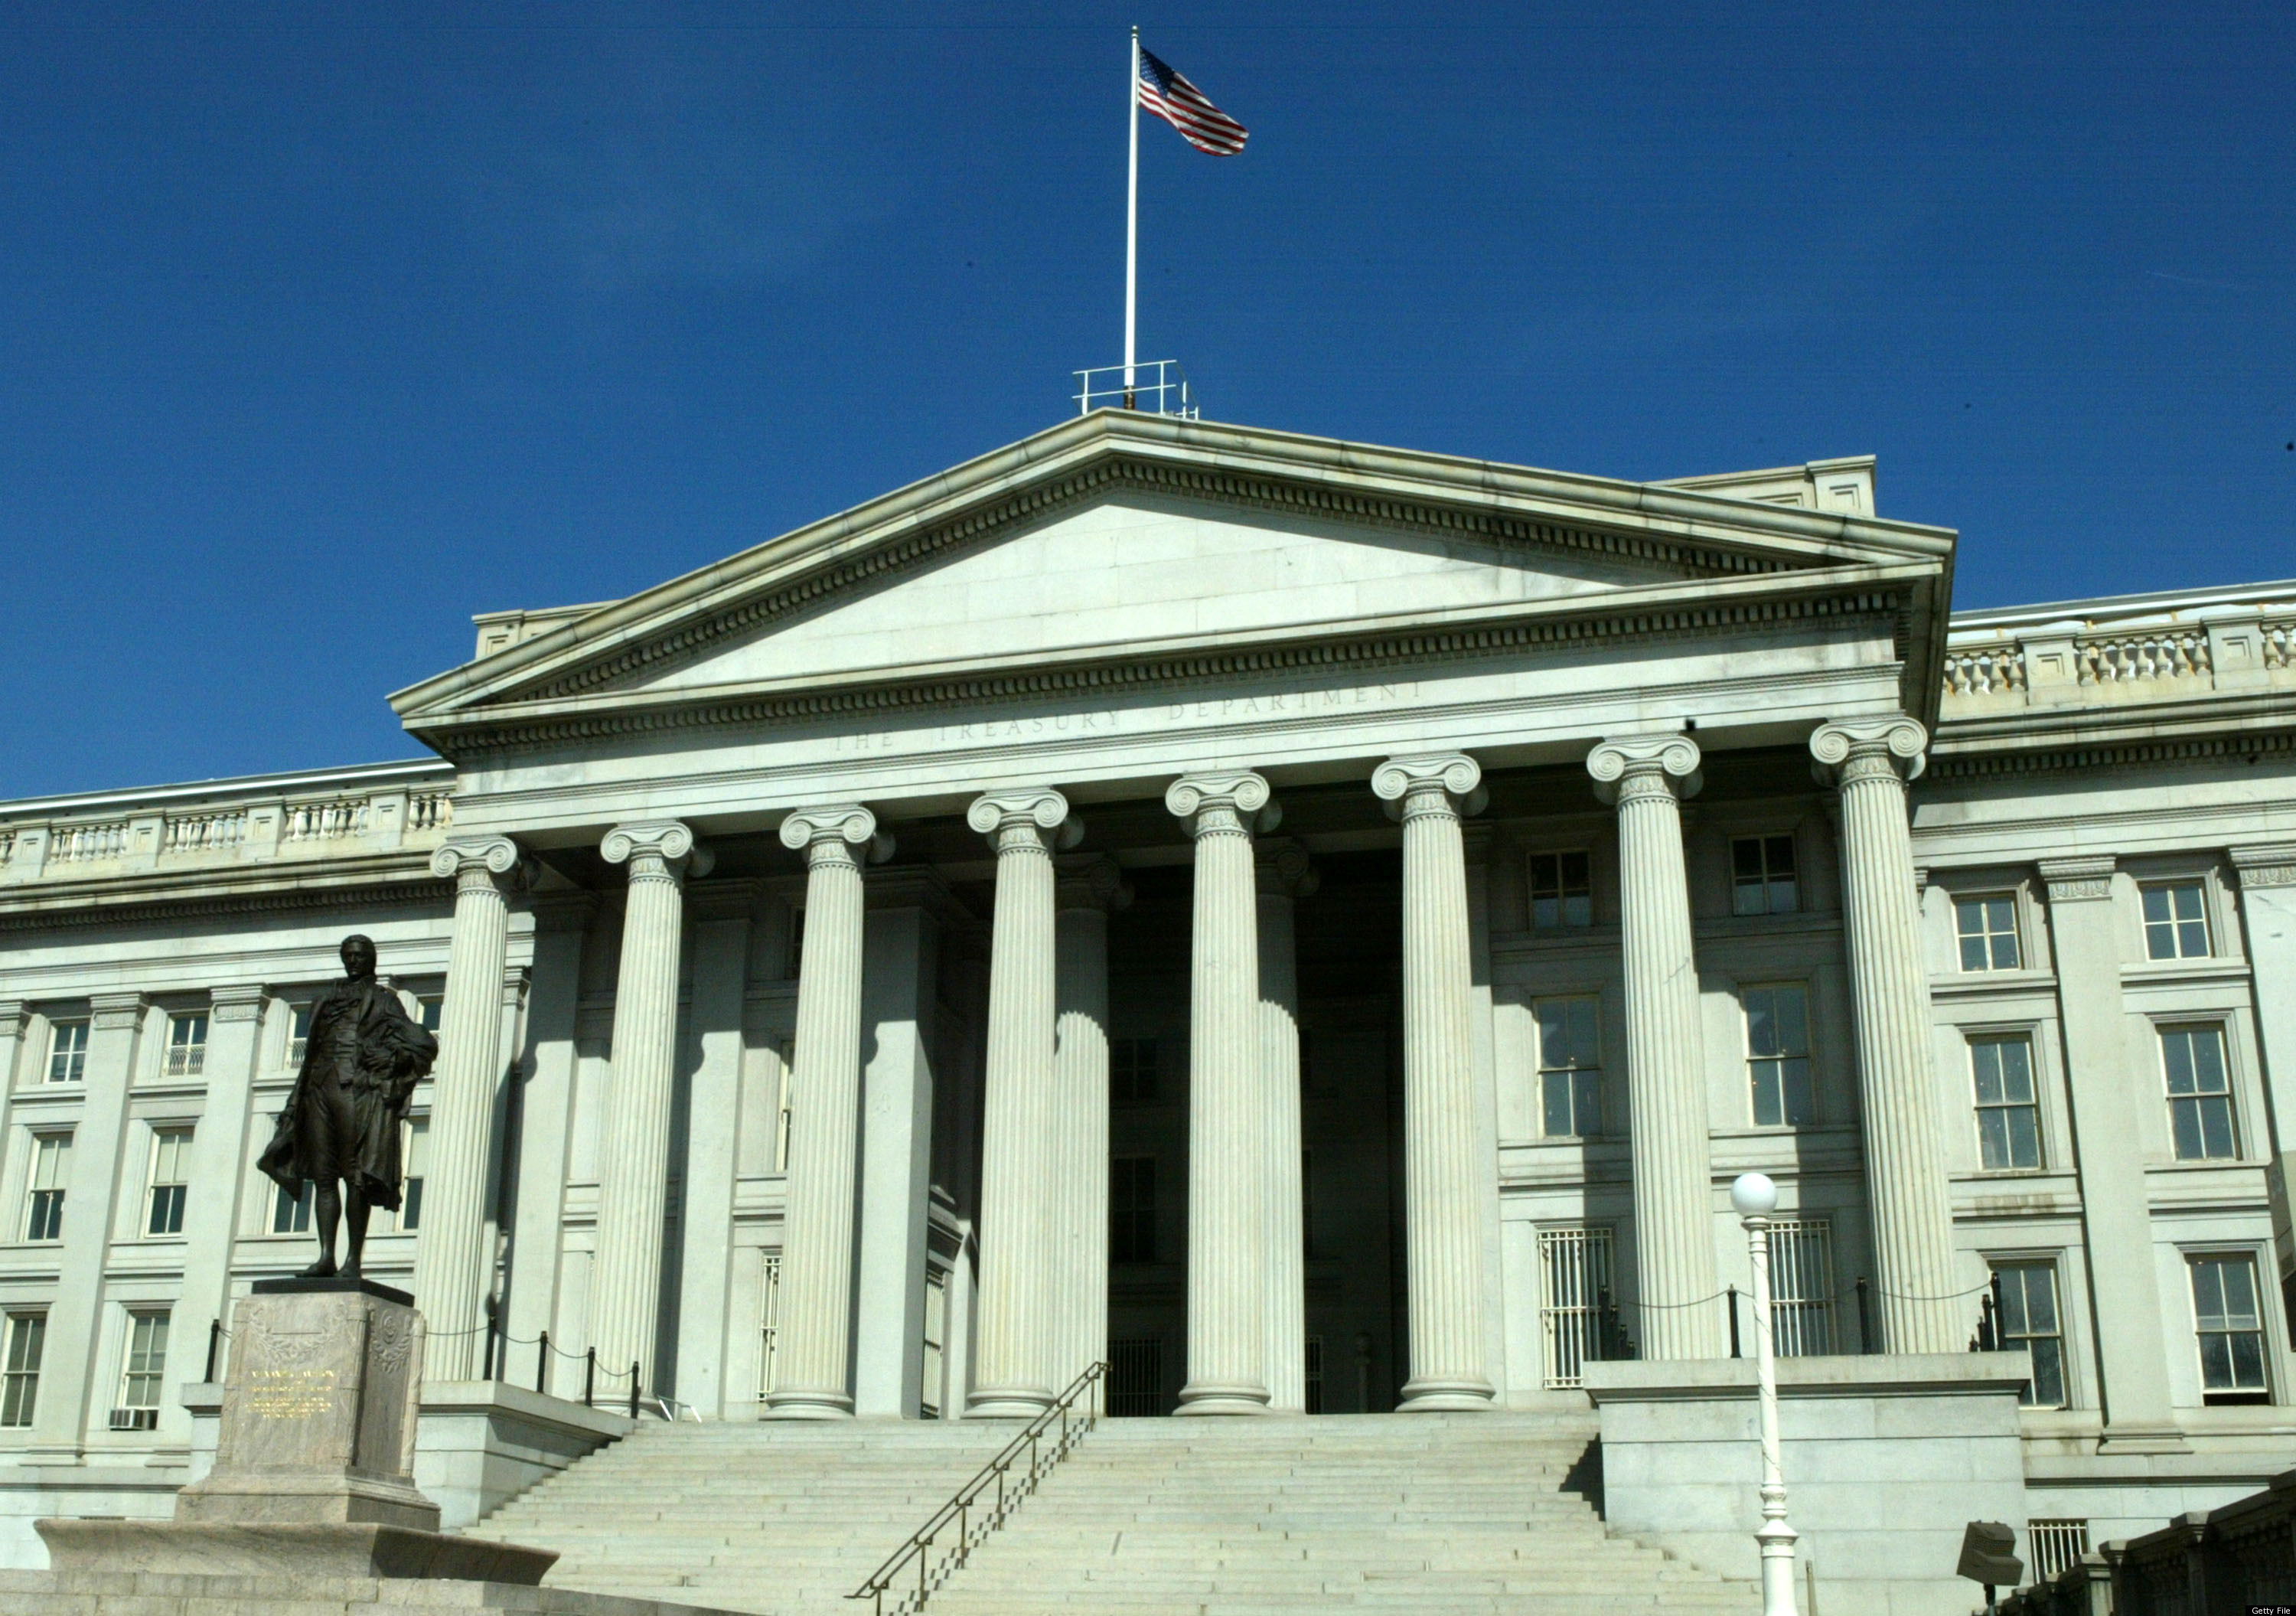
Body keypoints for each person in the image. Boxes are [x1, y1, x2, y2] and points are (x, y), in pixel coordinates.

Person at [257, 934, 438, 1279]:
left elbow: (422, 1044)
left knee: (356, 1176)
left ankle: (353, 1259)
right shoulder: (323, 1000)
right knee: (324, 1177)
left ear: (371, 959)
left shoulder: (385, 1001)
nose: (353, 960)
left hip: (355, 1090)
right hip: (318, 1090)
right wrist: (295, 1102)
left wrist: (389, 1061)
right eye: (348, 955)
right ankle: (326, 1255)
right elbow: (309, 1058)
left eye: (360, 955)